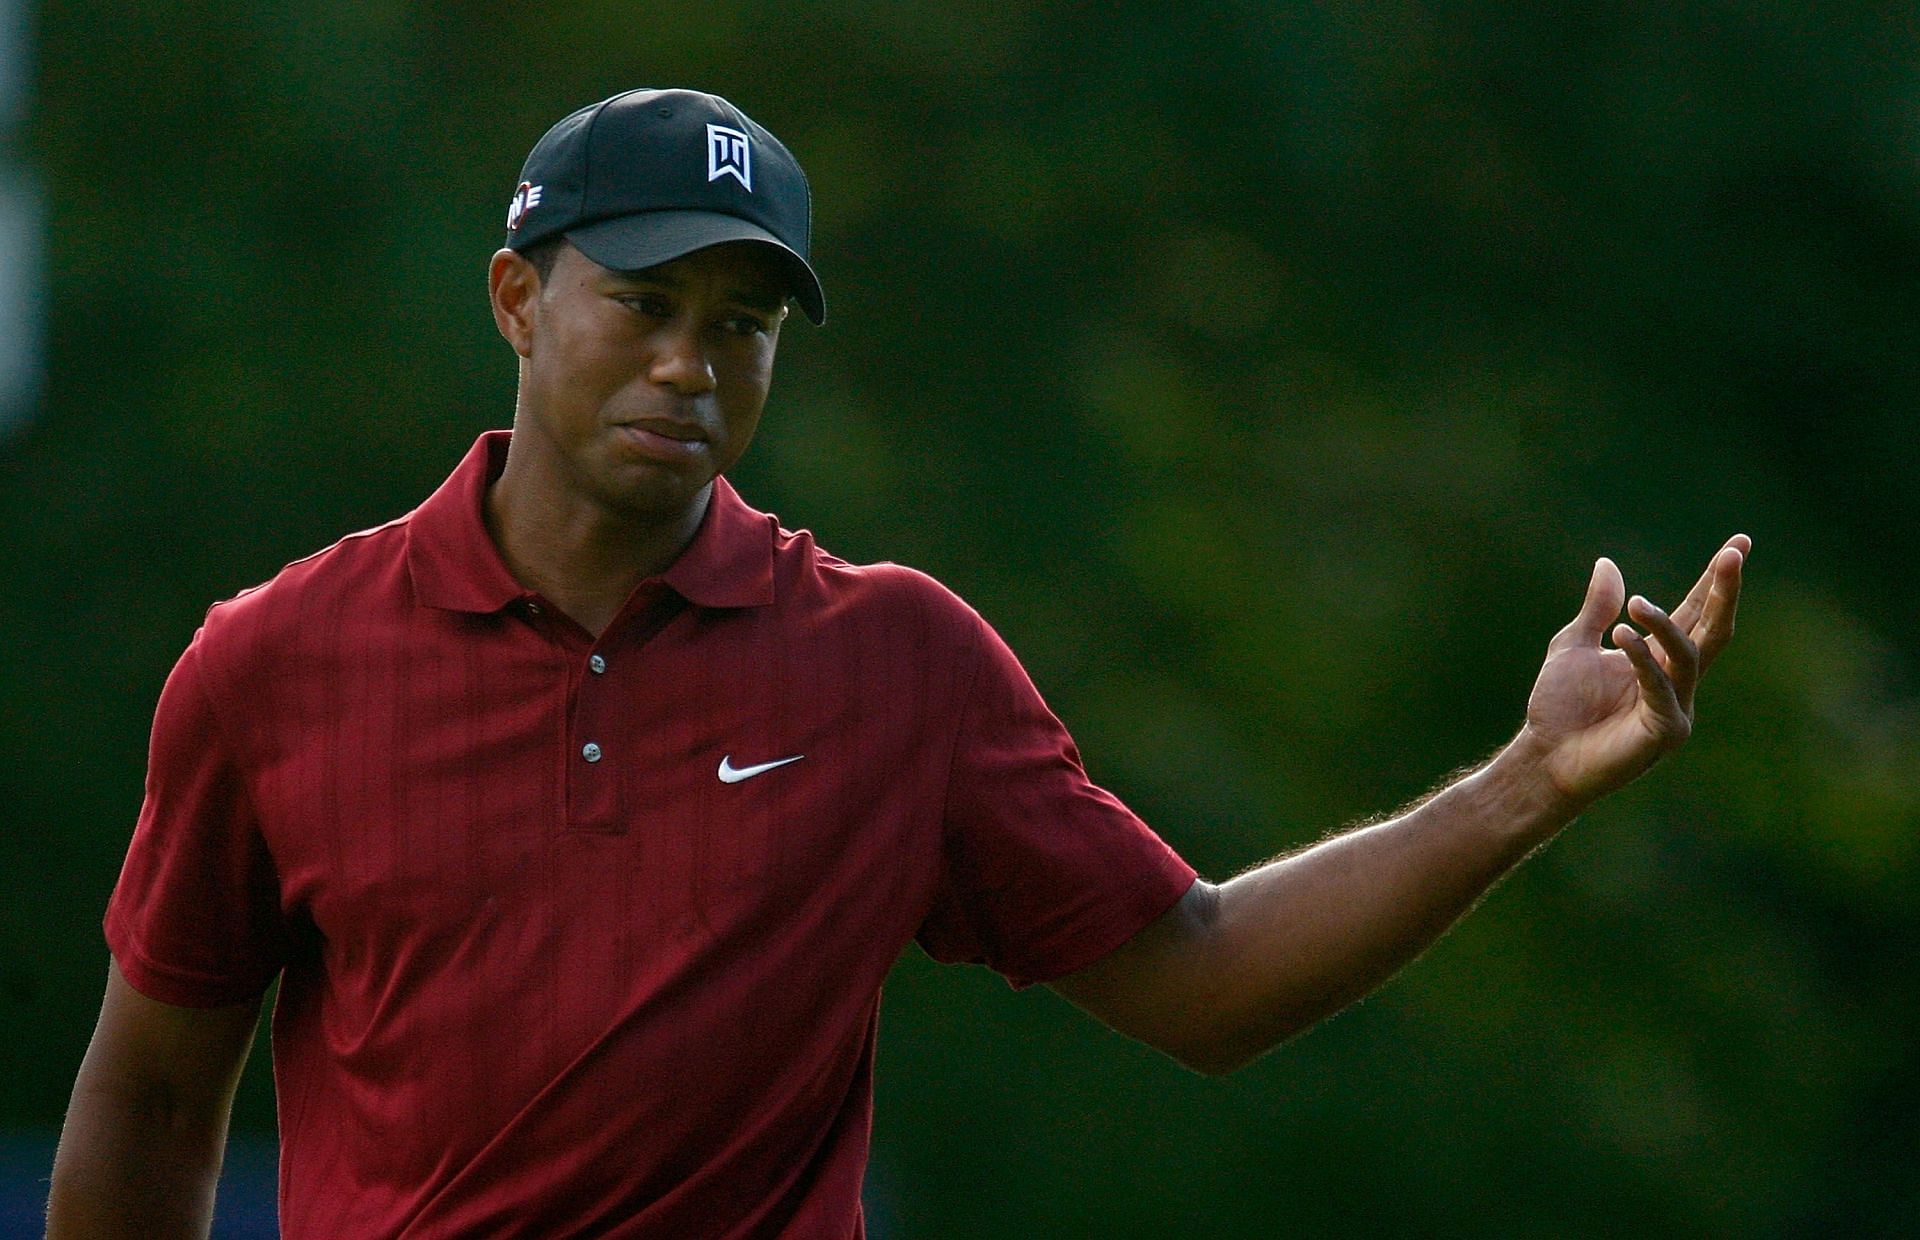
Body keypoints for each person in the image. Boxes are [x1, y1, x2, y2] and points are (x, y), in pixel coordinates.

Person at [46, 88, 1747, 1239]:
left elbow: (1200, 975)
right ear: (514, 298)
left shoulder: (892, 665)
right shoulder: (277, 665)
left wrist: (1527, 785)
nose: (690, 364)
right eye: (642, 304)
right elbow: (148, 1094)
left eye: (740, 323)